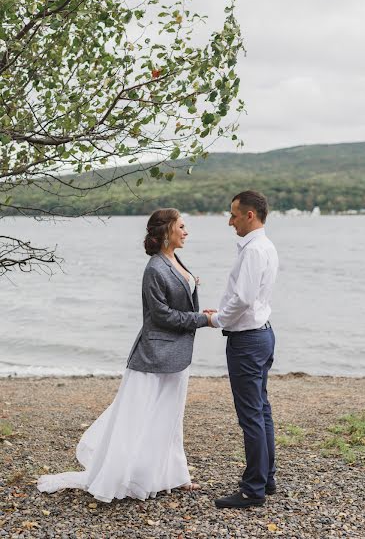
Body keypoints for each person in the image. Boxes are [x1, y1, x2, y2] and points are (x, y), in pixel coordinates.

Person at [37, 208, 210, 502]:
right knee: (136, 417)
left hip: (178, 353)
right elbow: (161, 316)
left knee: (170, 416)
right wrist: (202, 320)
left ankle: (175, 475)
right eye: (181, 226)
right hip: (153, 355)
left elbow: (181, 299)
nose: (186, 231)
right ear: (167, 231)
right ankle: (120, 476)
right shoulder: (154, 268)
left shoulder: (174, 259)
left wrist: (197, 305)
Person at [205, 190, 279, 509]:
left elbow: (244, 298)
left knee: (251, 415)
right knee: (261, 410)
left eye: (234, 214)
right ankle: (266, 478)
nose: (229, 220)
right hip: (262, 335)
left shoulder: (253, 250)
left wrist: (217, 319)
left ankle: (253, 490)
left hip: (248, 340)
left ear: (250, 215)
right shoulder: (266, 245)